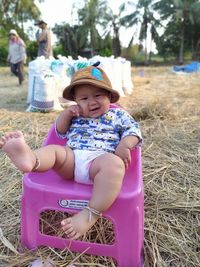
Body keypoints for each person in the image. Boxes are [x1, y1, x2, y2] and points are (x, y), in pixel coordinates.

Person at [0, 65, 142, 240]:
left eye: (98, 95)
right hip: (72, 159)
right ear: (76, 101)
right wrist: (66, 115)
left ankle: (90, 214)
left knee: (114, 164)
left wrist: (125, 145)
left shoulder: (118, 115)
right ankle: (31, 160)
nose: (92, 102)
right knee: (55, 151)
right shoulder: (75, 115)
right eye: (84, 98)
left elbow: (133, 131)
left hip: (99, 164)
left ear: (109, 96)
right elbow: (59, 132)